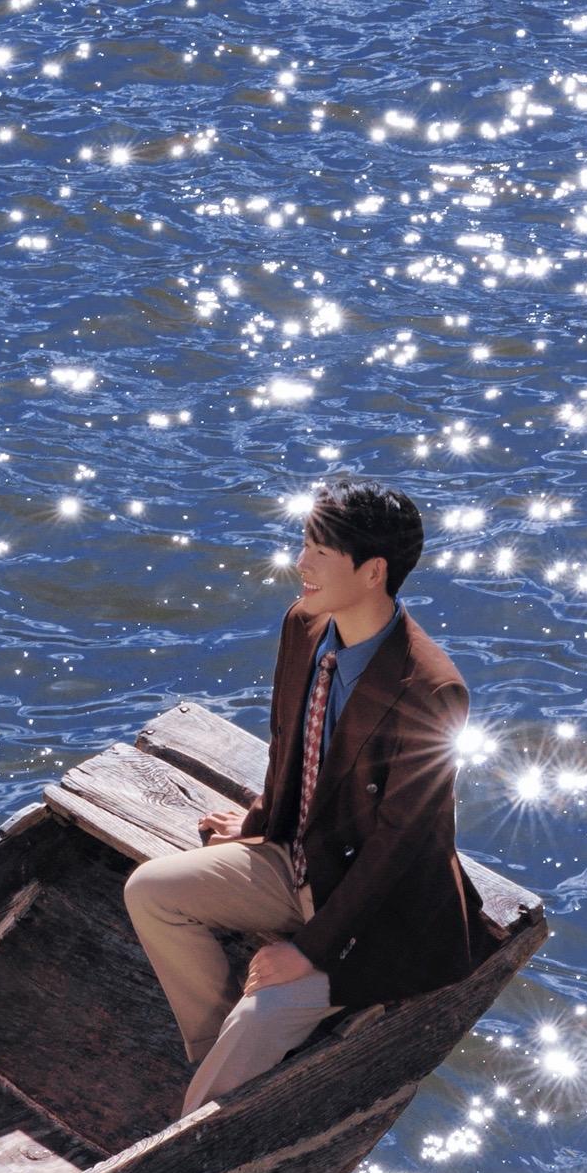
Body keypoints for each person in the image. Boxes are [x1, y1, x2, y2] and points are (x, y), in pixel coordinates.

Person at [124, 479, 498, 1117]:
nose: (300, 563)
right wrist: (258, 819)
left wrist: (307, 951)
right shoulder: (303, 626)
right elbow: (287, 742)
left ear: (373, 571)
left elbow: (400, 845)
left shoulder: (431, 690)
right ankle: (226, 1062)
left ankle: (195, 1127)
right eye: (303, 544)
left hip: (379, 914)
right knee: (152, 892)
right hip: (297, 860)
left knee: (262, 1011)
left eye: (319, 552)